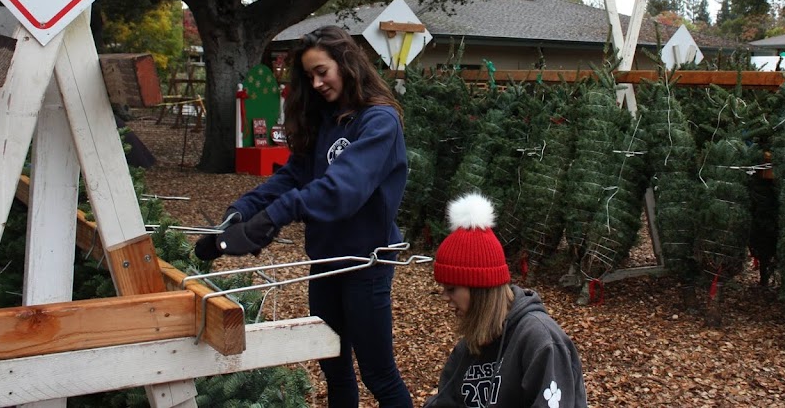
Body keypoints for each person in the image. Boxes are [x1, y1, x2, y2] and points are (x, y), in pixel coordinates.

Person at [194, 25, 412, 408]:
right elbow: (293, 175)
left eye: (322, 71)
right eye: (309, 75)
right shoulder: (326, 118)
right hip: (325, 261)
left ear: (346, 64)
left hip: (366, 263)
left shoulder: (379, 122)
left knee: (379, 374)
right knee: (333, 366)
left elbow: (342, 189)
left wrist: (274, 218)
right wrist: (243, 210)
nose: (315, 83)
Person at [424, 192, 587, 408]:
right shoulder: (470, 346)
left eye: (452, 288)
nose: (445, 297)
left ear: (479, 287)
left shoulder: (540, 341)